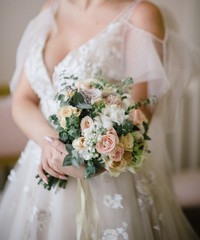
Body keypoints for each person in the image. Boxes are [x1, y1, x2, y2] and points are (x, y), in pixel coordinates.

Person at [0, 0, 199, 239]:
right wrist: (51, 144)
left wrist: (92, 162)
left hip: (106, 178)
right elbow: (23, 99)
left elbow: (139, 115)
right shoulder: (51, 9)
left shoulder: (140, 14)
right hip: (42, 166)